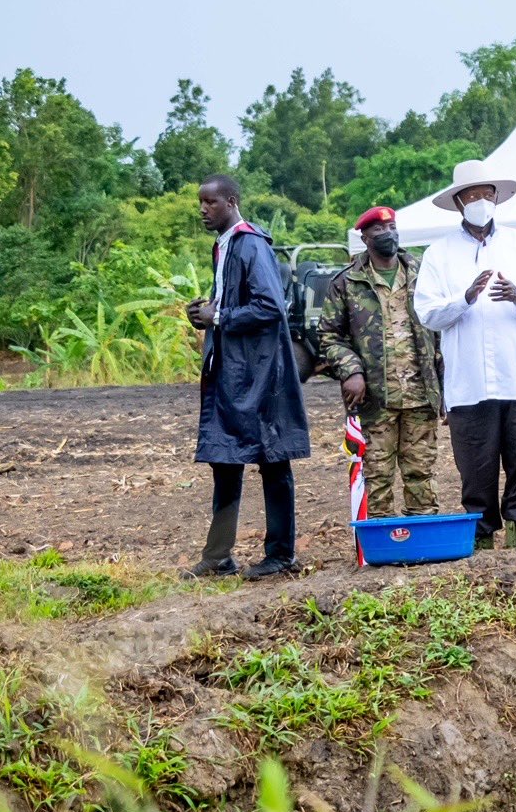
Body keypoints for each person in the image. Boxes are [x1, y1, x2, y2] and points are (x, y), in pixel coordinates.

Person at [415, 159, 516, 550]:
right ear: (459, 203)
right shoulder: (439, 253)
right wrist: (463, 298)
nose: (480, 201)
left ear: (497, 198)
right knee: (475, 465)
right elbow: (427, 312)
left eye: (486, 194)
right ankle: (481, 541)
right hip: (469, 380)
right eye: (472, 195)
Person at [183, 174, 310, 579]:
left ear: (232, 201)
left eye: (211, 203)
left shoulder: (251, 244)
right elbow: (235, 303)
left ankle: (281, 554)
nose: (203, 210)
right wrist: (205, 315)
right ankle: (218, 556)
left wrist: (218, 316)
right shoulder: (223, 246)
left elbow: (270, 307)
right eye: (200, 203)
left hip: (261, 373)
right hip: (232, 371)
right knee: (225, 458)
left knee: (273, 460)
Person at [317, 206, 440, 518]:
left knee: (420, 474)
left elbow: (441, 330)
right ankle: (383, 547)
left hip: (419, 393)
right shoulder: (346, 282)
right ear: (365, 237)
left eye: (392, 228)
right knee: (377, 476)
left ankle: (422, 544)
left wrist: (446, 386)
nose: (388, 235)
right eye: (379, 231)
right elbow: (329, 335)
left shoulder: (422, 274)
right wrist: (351, 370)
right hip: (374, 397)